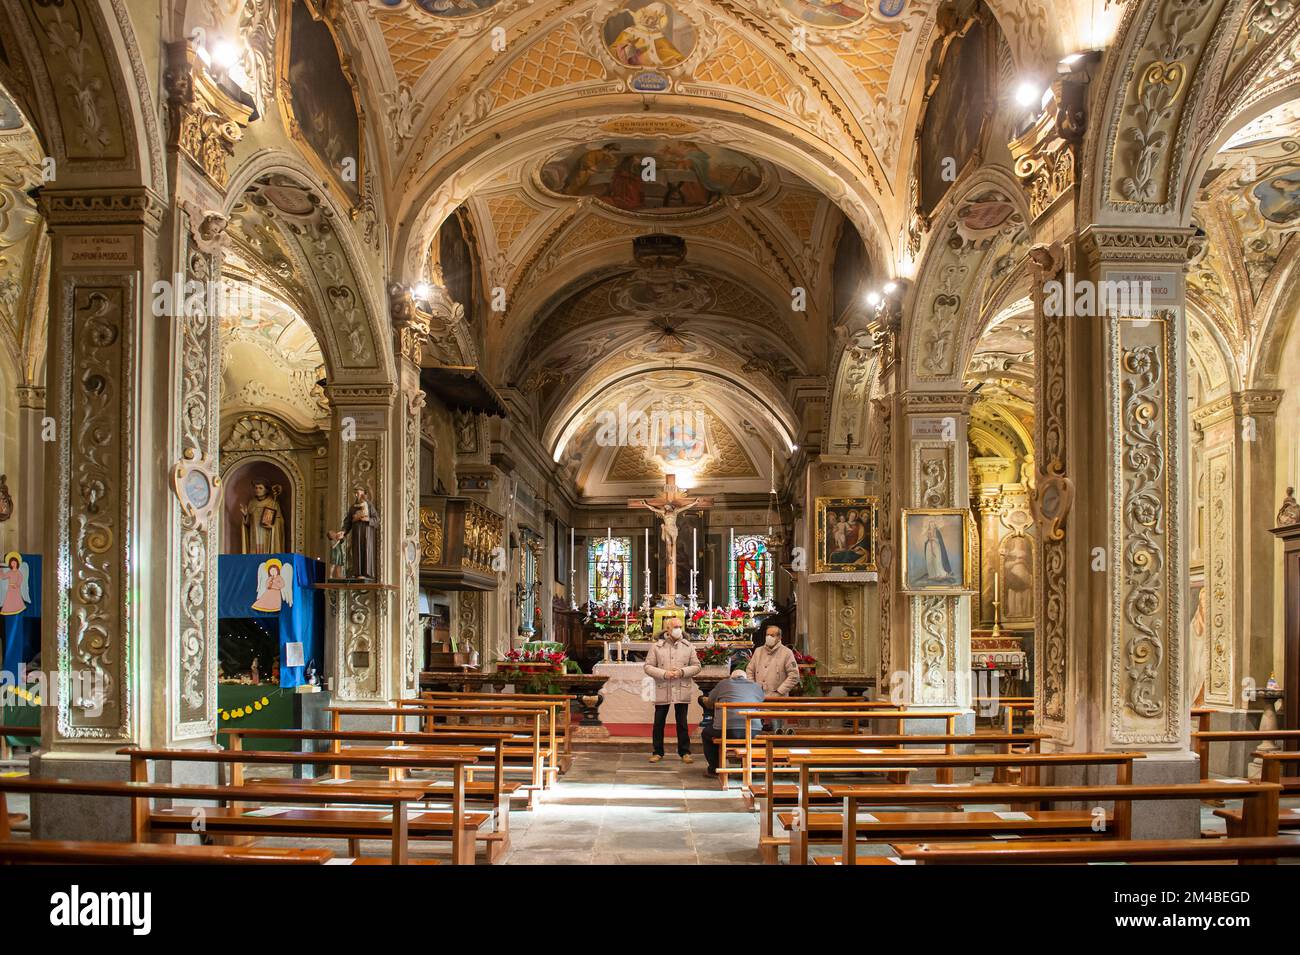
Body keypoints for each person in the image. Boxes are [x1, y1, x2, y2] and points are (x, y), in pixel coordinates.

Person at [644, 615, 701, 763]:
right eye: (675, 627)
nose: (678, 630)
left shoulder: (688, 646)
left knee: (682, 722)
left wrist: (682, 672)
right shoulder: (657, 646)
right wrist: (664, 673)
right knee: (659, 722)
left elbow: (697, 666)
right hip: (663, 686)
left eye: (680, 627)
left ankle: (685, 752)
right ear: (668, 630)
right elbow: (648, 667)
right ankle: (657, 752)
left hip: (681, 687)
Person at [699, 659, 765, 776]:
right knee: (752, 736)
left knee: (706, 733)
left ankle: (714, 768)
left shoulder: (724, 683)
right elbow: (761, 703)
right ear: (746, 678)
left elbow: (710, 701)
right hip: (753, 730)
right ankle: (750, 767)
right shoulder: (756, 686)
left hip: (727, 730)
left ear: (731, 677)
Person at [748, 624, 799, 697]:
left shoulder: (787, 653)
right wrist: (753, 688)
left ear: (779, 637)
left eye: (772, 635)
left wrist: (779, 692)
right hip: (758, 696)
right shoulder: (758, 651)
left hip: (778, 698)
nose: (769, 637)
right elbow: (750, 670)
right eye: (767, 635)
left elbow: (794, 675)